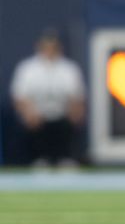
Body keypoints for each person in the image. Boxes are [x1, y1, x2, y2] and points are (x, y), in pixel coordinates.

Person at [9, 30, 86, 167]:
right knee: (33, 123)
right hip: (37, 118)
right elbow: (19, 97)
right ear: (39, 47)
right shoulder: (28, 68)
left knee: (68, 121)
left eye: (53, 46)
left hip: (61, 118)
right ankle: (39, 159)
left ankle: (65, 158)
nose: (50, 50)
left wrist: (74, 114)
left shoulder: (69, 69)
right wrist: (29, 114)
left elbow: (77, 98)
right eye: (46, 46)